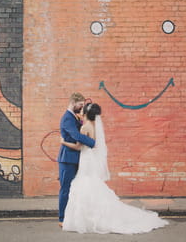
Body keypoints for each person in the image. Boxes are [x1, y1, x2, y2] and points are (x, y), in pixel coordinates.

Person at [60, 103, 169, 234]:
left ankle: (86, 217)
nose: (81, 109)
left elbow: (78, 147)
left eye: (83, 108)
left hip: (86, 159)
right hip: (90, 159)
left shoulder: (84, 127)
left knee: (84, 184)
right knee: (90, 184)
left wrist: (63, 142)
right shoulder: (93, 126)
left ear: (86, 113)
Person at [57, 92, 96, 227]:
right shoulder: (67, 118)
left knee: (75, 189)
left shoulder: (74, 116)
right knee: (65, 189)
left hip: (75, 158)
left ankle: (73, 216)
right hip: (67, 159)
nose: (81, 107)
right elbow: (75, 135)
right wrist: (92, 143)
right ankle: (62, 219)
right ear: (73, 102)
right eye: (80, 105)